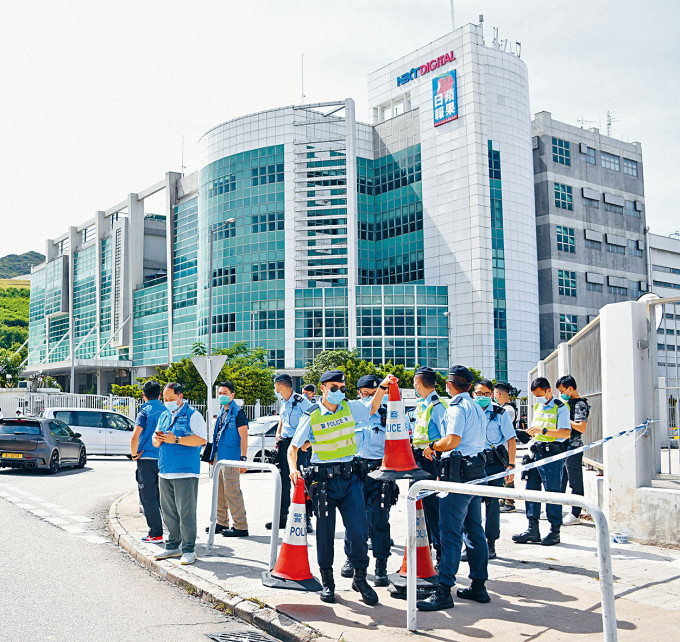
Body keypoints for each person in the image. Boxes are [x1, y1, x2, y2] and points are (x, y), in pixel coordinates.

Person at [288, 370, 395, 605]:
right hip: (324, 482)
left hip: (350, 479)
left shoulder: (350, 407)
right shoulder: (312, 414)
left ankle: (360, 578)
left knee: (358, 531)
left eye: (342, 387)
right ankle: (328, 582)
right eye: (333, 387)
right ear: (323, 388)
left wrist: (383, 388)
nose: (338, 392)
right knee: (325, 534)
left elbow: (372, 408)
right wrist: (293, 469)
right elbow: (293, 448)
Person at [417, 365, 490, 611]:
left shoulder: (457, 408)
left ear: (449, 385)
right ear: (469, 386)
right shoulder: (476, 407)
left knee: (450, 533)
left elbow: (452, 440)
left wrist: (433, 447)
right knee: (473, 529)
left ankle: (444, 590)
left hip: (457, 475)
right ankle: (478, 586)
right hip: (474, 471)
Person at [340, 374, 395, 587]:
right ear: (358, 393)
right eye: (366, 394)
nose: (370, 398)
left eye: (374, 394)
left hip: (380, 472)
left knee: (380, 521)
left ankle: (381, 566)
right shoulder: (351, 412)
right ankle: (352, 560)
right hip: (355, 471)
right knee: (354, 521)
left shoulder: (390, 413)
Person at [152, 382, 207, 565]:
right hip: (165, 470)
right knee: (168, 513)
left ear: (180, 397)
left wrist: (175, 439)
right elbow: (155, 440)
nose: (167, 402)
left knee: (186, 513)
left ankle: (189, 549)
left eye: (171, 399)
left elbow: (201, 439)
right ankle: (172, 545)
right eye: (165, 399)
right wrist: (157, 439)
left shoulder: (193, 415)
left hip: (185, 471)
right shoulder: (164, 415)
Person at [512, 377, 571, 547]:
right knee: (531, 490)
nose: (537, 398)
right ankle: (533, 529)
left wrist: (543, 430)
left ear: (548, 391)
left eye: (539, 394)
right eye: (535, 395)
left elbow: (565, 433)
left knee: (552, 493)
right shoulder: (539, 406)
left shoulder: (561, 407)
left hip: (552, 454)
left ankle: (554, 531)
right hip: (536, 453)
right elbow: (536, 431)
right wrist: (527, 434)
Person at [469, 379, 516, 560]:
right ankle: (473, 543)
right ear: (473, 394)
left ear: (492, 395)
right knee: (471, 502)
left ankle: (490, 543)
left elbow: (511, 440)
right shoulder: (469, 411)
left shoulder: (500, 412)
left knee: (492, 503)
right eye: (478, 394)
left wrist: (511, 466)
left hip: (494, 462)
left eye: (486, 394)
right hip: (473, 461)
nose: (481, 397)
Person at [411, 365, 448, 569]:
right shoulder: (422, 405)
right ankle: (426, 551)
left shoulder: (437, 405)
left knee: (433, 511)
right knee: (421, 509)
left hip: (432, 461)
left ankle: (441, 554)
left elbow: (446, 437)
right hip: (418, 462)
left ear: (418, 383)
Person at [267, 373, 314, 532]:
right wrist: (277, 435)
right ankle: (282, 518)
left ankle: (306, 519)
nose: (275, 389)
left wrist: (308, 443)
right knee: (283, 481)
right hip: (285, 444)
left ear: (280, 385)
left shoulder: (302, 401)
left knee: (301, 482)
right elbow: (283, 420)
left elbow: (315, 420)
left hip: (299, 445)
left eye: (275, 386)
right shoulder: (283, 402)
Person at [208, 382, 249, 538]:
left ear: (232, 395)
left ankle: (240, 525)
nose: (222, 396)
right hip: (220, 456)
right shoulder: (222, 412)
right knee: (219, 491)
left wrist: (243, 458)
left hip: (232, 458)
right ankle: (222, 522)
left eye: (225, 393)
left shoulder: (238, 412)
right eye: (220, 393)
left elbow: (244, 436)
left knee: (232, 491)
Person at [131, 380, 166, 543]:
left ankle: (156, 533)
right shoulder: (167, 410)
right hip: (165, 459)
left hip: (146, 460)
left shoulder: (144, 411)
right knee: (165, 497)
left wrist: (134, 454)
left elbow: (135, 436)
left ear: (143, 395)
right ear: (160, 395)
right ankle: (172, 531)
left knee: (148, 497)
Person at [555, 375, 589, 526]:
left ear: (570, 388)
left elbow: (581, 427)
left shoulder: (579, 404)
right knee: (561, 480)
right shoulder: (568, 403)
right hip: (564, 447)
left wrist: (565, 421)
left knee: (575, 482)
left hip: (573, 448)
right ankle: (556, 509)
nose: (561, 394)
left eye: (562, 390)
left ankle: (575, 514)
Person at [493, 382, 519, 513]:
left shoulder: (507, 410)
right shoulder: (504, 408)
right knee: (504, 475)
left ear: (498, 394)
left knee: (508, 476)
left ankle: (510, 502)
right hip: (501, 448)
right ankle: (503, 500)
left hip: (505, 449)